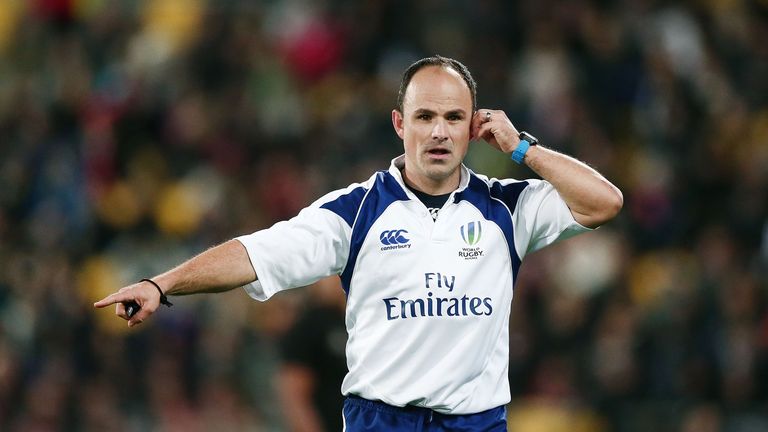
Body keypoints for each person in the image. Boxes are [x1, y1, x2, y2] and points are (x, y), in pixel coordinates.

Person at [94, 55, 623, 431]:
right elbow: (254, 254)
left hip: (477, 423)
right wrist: (160, 285)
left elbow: (603, 202)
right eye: (425, 117)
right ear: (399, 124)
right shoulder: (355, 212)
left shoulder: (509, 207)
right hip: (381, 421)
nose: (439, 132)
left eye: (454, 118)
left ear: (474, 127)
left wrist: (521, 148)